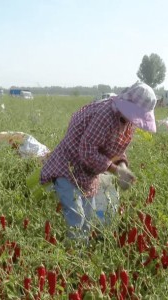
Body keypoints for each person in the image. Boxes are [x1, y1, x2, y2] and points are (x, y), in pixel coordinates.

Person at [40, 82, 157, 241]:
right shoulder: (106, 115)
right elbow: (87, 151)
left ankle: (82, 256)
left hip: (89, 174)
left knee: (88, 221)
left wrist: (122, 166)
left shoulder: (127, 122)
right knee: (77, 217)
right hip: (69, 168)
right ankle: (74, 255)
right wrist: (115, 170)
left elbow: (118, 150)